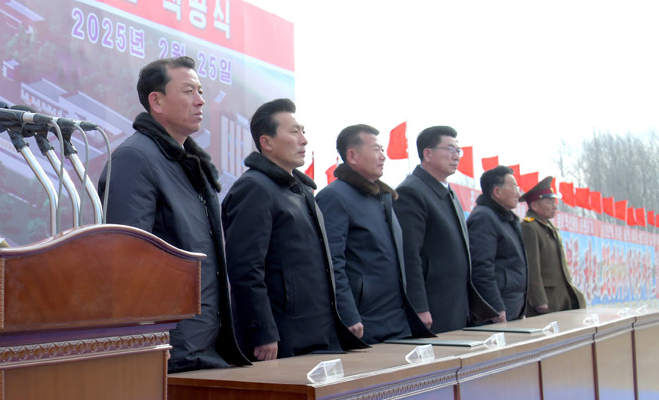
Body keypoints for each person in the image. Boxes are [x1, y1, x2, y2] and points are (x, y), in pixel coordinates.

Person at [98, 56, 250, 371]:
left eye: (201, 91)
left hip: (205, 344)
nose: (201, 101)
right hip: (170, 351)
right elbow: (126, 261)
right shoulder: (134, 159)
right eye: (189, 91)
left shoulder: (190, 162)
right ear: (157, 101)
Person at [222, 98, 365, 360]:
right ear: (267, 142)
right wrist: (262, 331)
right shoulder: (254, 188)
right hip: (284, 337)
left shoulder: (301, 190)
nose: (303, 140)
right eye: (293, 132)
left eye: (303, 131)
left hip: (320, 333)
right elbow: (245, 268)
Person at [315, 125, 434, 344]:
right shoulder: (335, 196)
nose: (383, 156)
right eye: (376, 149)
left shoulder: (383, 197)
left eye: (383, 149)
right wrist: (347, 314)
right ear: (352, 155)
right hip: (364, 323)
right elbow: (331, 262)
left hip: (397, 320)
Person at [394, 126, 500, 333]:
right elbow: (409, 254)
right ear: (428, 153)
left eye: (458, 151)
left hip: (457, 302)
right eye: (450, 149)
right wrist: (419, 306)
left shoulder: (447, 191)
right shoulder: (411, 191)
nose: (456, 156)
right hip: (435, 305)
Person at [466, 165, 528, 321]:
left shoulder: (506, 219)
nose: (518, 193)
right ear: (497, 192)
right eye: (513, 187)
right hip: (499, 310)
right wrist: (495, 308)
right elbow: (481, 267)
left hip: (512, 306)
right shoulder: (484, 218)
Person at [520, 176, 587, 313]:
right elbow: (532, 267)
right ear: (534, 205)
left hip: (561, 295)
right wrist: (539, 299)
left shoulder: (549, 226)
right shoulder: (529, 227)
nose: (555, 206)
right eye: (550, 202)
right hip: (547, 299)